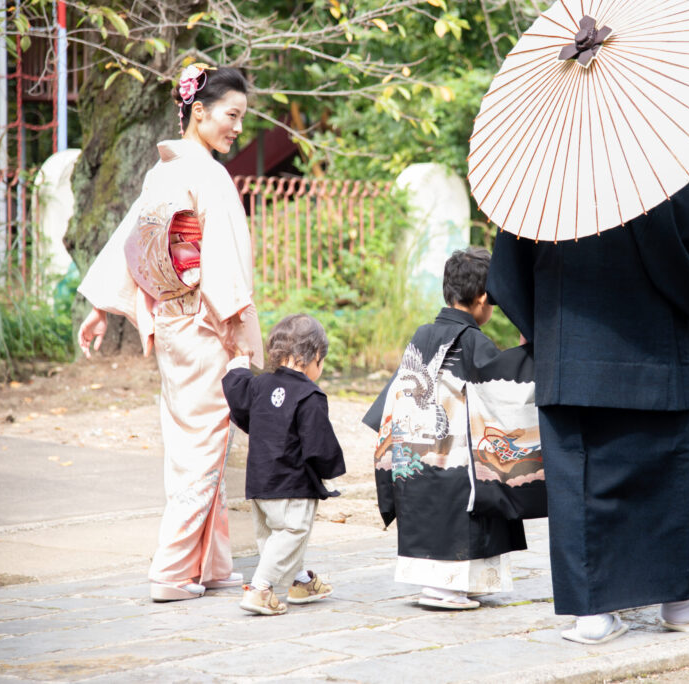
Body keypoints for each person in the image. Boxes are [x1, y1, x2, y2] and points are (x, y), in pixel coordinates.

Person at [485, 161, 689, 644]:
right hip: (654, 338)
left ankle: (593, 614)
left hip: (570, 346)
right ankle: (684, 602)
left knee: (581, 481)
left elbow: (506, 269)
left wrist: (544, 329)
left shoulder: (543, 160)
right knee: (669, 470)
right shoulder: (665, 141)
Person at [76, 65, 263, 602]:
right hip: (206, 325)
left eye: (241, 118)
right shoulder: (207, 176)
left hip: (175, 323)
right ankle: (173, 569)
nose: (236, 129)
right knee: (205, 446)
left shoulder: (164, 173)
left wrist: (103, 308)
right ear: (198, 112)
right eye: (231, 116)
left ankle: (210, 564)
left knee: (198, 442)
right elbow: (226, 265)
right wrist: (244, 333)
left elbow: (128, 245)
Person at [362, 247, 542, 610]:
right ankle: (445, 588)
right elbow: (504, 392)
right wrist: (531, 352)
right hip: (454, 457)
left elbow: (394, 398)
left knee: (435, 503)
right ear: (481, 299)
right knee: (475, 495)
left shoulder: (423, 334)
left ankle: (454, 584)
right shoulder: (473, 341)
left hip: (415, 452)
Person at [221, 314, 345, 616]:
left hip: (260, 483)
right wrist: (330, 467)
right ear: (315, 356)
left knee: (273, 539)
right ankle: (260, 589)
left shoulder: (259, 385)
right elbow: (318, 444)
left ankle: (300, 582)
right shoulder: (309, 396)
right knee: (292, 532)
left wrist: (238, 364)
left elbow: (237, 395)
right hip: (293, 485)